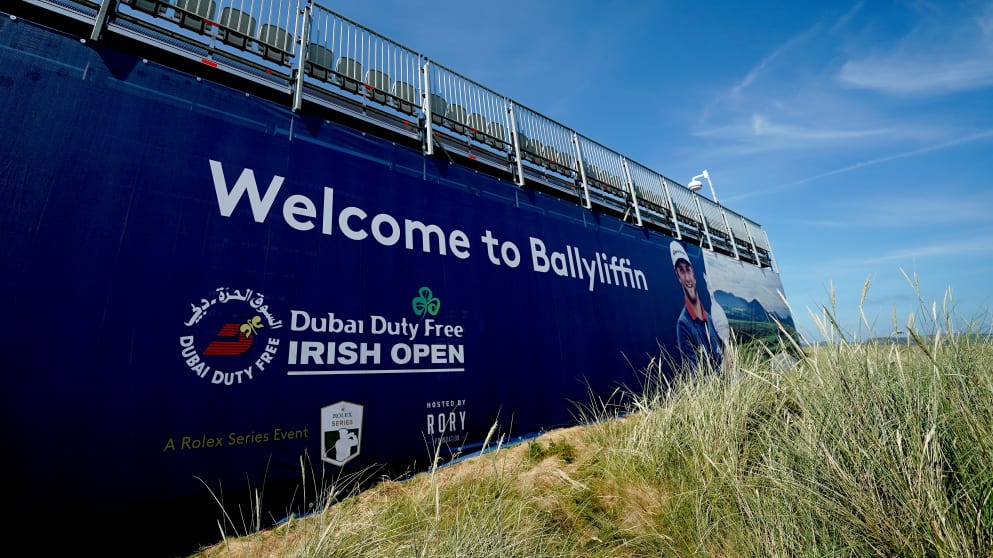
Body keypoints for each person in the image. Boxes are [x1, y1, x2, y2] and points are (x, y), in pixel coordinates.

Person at [670, 240, 724, 372]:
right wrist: (723, 371)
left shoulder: (711, 319)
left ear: (693, 273)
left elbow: (725, 356)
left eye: (688, 269)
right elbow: (696, 379)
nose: (687, 278)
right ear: (678, 276)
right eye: (681, 271)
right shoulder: (683, 324)